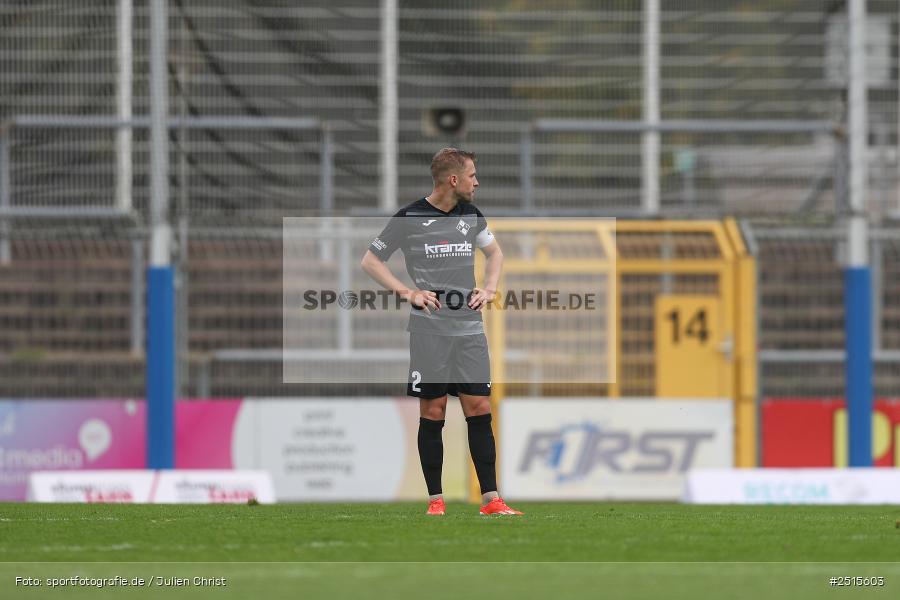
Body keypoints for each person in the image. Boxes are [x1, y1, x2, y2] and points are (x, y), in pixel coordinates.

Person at [361, 148, 523, 516]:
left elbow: (495, 254)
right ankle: (436, 501)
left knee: (479, 408)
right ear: (454, 180)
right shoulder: (409, 217)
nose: (476, 182)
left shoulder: (471, 216)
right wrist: (408, 292)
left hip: (468, 331)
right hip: (429, 332)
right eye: (472, 176)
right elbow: (370, 260)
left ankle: (491, 500)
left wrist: (490, 288)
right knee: (433, 412)